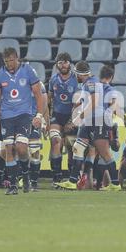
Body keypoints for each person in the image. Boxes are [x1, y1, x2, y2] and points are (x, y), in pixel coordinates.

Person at [57, 62, 121, 191]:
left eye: (76, 74)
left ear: (78, 74)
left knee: (105, 153)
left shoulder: (90, 83)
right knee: (78, 148)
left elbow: (94, 101)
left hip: (97, 120)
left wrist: (80, 116)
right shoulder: (90, 83)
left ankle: (115, 184)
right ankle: (72, 181)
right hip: (89, 121)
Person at [0, 48, 44, 195]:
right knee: (9, 149)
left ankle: (26, 175)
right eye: (6, 61)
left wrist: (39, 115)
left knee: (21, 148)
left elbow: (38, 94)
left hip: (24, 114)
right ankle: (13, 185)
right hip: (6, 116)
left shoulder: (28, 70)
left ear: (17, 58)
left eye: (11, 60)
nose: (9, 63)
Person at [48, 53, 79, 186]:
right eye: (60, 62)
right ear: (57, 65)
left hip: (72, 116)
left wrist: (72, 121)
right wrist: (47, 117)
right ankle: (57, 178)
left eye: (65, 62)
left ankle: (72, 178)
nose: (63, 65)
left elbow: (79, 103)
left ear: (70, 64)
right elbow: (49, 99)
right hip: (57, 116)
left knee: (71, 146)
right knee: (55, 141)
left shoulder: (76, 79)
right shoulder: (53, 80)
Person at [28, 81, 48, 192]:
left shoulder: (40, 85)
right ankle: (22, 179)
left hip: (35, 120)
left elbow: (45, 104)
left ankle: (34, 182)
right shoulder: (18, 83)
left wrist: (44, 121)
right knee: (20, 150)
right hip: (20, 119)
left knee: (34, 151)